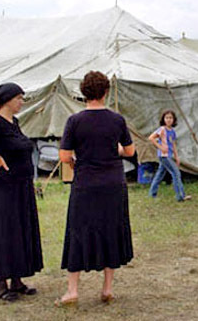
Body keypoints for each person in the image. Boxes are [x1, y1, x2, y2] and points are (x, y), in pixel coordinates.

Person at [57, 71, 135, 306]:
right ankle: (107, 288)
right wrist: (114, 151)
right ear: (105, 92)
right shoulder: (116, 120)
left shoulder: (75, 121)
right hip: (113, 182)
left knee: (78, 231)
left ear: (83, 92)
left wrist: (76, 162)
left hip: (85, 183)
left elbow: (63, 156)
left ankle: (72, 290)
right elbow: (129, 151)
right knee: (111, 230)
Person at [0, 83, 43, 302]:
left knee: (18, 230)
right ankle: (1, 283)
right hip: (4, 186)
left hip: (20, 185)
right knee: (5, 231)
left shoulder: (13, 122)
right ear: (6, 100)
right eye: (19, 99)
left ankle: (17, 280)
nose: (21, 103)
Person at [148, 110, 191, 201]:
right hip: (163, 155)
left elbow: (173, 144)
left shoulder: (172, 131)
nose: (168, 120)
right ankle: (180, 196)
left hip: (169, 155)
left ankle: (152, 193)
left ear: (174, 120)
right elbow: (151, 138)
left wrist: (176, 156)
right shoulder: (162, 129)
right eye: (166, 118)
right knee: (176, 173)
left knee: (160, 174)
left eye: (170, 118)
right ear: (163, 119)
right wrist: (160, 147)